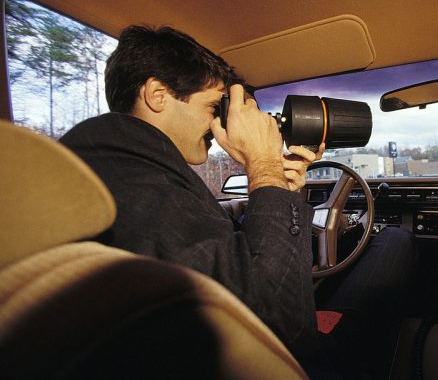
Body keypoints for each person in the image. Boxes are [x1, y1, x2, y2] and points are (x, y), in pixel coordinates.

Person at [60, 25, 416, 379]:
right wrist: (262, 165)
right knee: (397, 240)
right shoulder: (134, 181)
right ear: (158, 95)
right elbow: (281, 326)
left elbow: (233, 265)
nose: (219, 124)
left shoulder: (124, 168)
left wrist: (280, 185)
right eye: (214, 106)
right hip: (301, 363)